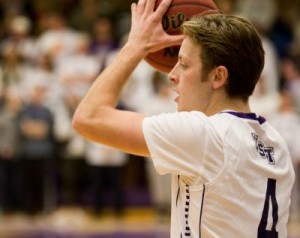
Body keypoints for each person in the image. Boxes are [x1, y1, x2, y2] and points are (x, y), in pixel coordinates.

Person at [72, 0, 295, 237]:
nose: (171, 75)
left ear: (218, 76)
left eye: (183, 65)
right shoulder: (275, 143)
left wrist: (135, 46)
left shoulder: (205, 136)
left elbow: (88, 117)